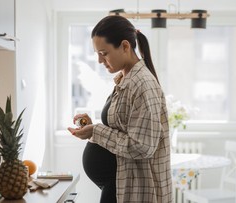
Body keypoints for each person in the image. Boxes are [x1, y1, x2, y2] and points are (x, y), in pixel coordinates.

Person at [67, 15, 172, 203]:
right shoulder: (126, 80)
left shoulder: (142, 84)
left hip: (132, 188)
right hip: (119, 183)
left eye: (104, 53)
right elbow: (122, 129)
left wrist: (96, 131)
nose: (100, 61)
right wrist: (92, 128)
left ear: (124, 46)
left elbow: (142, 146)